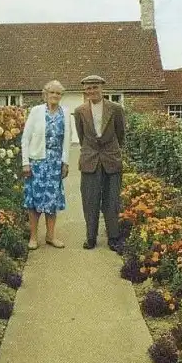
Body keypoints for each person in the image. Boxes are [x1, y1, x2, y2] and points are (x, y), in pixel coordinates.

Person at [73, 75, 125, 252]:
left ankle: (113, 237)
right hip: (90, 160)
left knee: (112, 200)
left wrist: (112, 151)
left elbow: (121, 134)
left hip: (111, 159)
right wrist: (90, 152)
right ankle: (91, 237)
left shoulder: (116, 109)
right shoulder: (79, 111)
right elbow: (81, 137)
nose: (92, 91)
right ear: (84, 91)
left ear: (102, 88)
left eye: (95, 87)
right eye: (88, 88)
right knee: (90, 199)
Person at [21, 80, 71, 250]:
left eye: (58, 93)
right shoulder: (36, 111)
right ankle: (33, 237)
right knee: (34, 201)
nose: (55, 96)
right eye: (52, 92)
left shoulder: (65, 112)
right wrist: (25, 163)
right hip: (37, 162)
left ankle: (50, 236)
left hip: (55, 163)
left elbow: (67, 139)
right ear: (45, 94)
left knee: (52, 201)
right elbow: (25, 138)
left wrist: (65, 162)